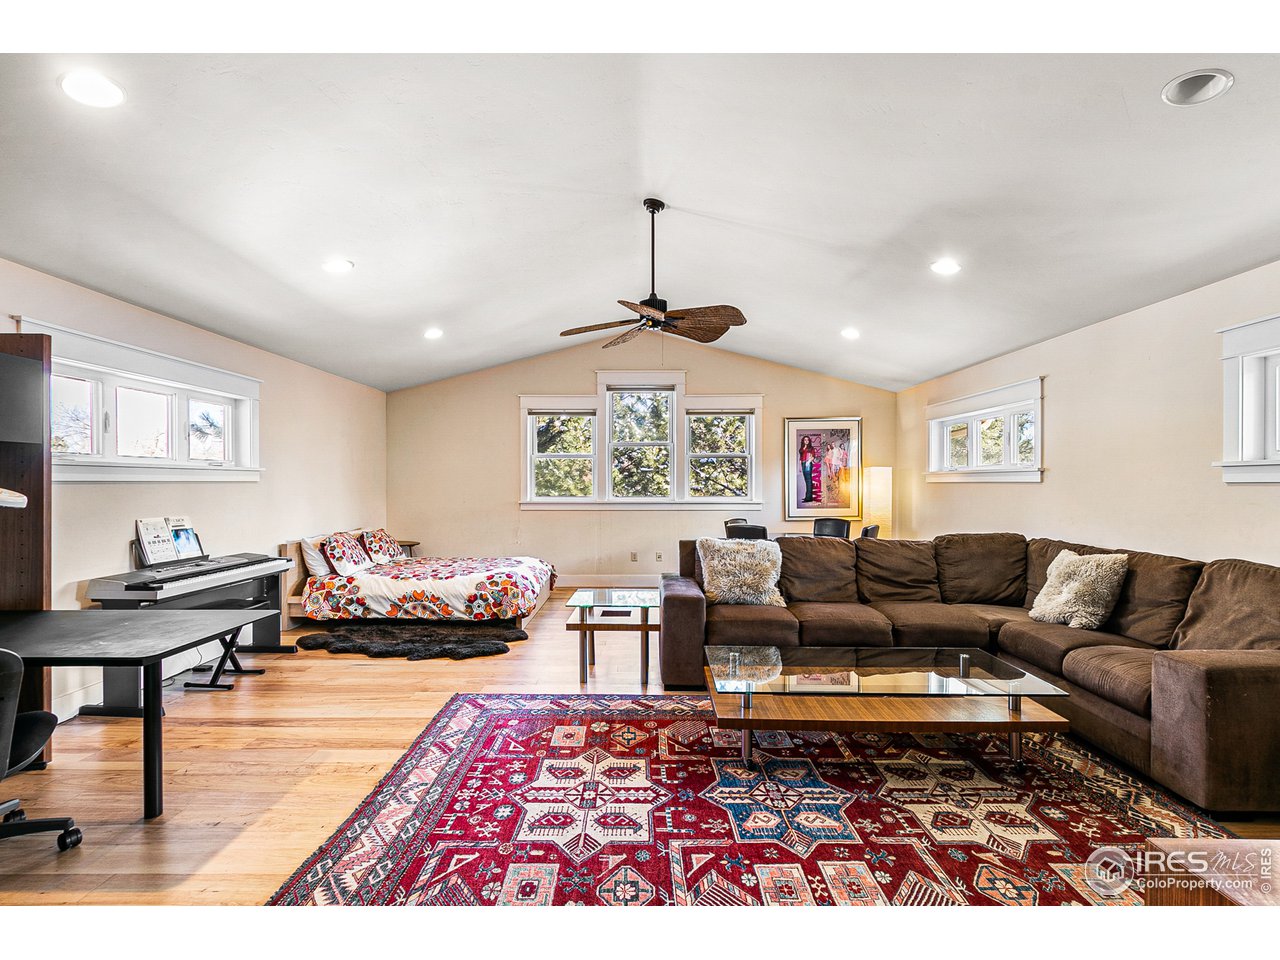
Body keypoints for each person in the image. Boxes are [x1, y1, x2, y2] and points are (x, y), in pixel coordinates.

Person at [799, 435, 817, 503]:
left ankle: (808, 498)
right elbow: (800, 458)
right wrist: (800, 466)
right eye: (805, 440)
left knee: (808, 480)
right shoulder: (802, 448)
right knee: (806, 480)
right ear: (803, 441)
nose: (806, 441)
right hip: (803, 464)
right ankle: (808, 496)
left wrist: (808, 462)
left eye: (807, 440)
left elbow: (813, 456)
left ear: (809, 441)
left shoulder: (811, 448)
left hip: (808, 463)